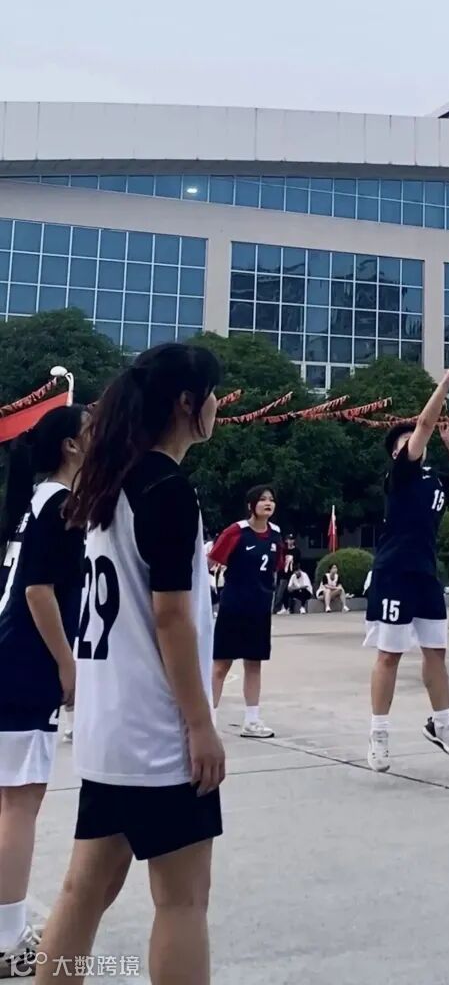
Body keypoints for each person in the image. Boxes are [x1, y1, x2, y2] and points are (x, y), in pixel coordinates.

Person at [38, 342, 225, 985]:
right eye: (212, 395)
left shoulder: (108, 485)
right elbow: (171, 617)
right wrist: (199, 725)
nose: (217, 406)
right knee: (182, 901)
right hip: (157, 733)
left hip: (108, 727)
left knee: (83, 891)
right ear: (186, 403)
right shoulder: (166, 488)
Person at [0, 405, 87, 977]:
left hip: (11, 657)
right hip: (25, 665)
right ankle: (8, 941)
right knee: (20, 802)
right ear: (71, 446)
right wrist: (66, 665)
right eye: (92, 431)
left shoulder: (37, 500)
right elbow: (39, 591)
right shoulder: (60, 505)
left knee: (11, 800)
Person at [365, 371, 449, 774]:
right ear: (398, 453)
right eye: (406, 442)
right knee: (389, 655)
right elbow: (424, 424)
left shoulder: (434, 481)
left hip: (426, 574)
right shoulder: (400, 475)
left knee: (436, 652)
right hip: (395, 572)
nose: (415, 443)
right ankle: (378, 735)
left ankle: (441, 724)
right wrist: (443, 386)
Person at [209, 485, 281, 740]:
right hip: (234, 607)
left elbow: (275, 568)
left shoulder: (275, 535)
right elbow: (212, 560)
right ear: (251, 505)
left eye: (271, 499)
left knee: (254, 664)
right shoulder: (237, 532)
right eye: (262, 499)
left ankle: (252, 721)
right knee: (221, 665)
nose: (268, 503)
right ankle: (209, 720)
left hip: (259, 609)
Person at [273, 534, 298, 616]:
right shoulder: (284, 550)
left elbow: (298, 563)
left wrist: (296, 571)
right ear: (286, 540)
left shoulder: (296, 551)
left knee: (290, 592)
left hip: (292, 574)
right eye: (289, 539)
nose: (290, 541)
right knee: (280, 592)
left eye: (292, 539)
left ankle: (289, 608)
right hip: (283, 574)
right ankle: (277, 608)